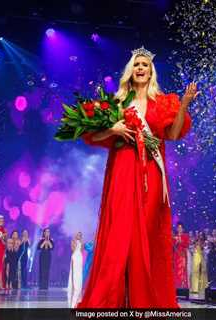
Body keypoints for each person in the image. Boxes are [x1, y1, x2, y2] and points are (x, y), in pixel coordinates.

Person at [77, 47, 197, 308]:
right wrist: (113, 127)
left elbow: (173, 135)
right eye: (137, 64)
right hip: (123, 169)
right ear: (130, 71)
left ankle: (143, 298)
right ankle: (115, 298)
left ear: (151, 71)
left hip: (152, 172)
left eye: (145, 64)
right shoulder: (117, 102)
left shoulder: (163, 102)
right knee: (120, 231)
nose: (141, 68)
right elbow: (92, 136)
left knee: (147, 230)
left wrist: (184, 106)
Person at [68, 232, 84, 308]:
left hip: (80, 258)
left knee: (79, 277)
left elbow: (82, 251)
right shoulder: (73, 241)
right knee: (74, 276)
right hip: (75, 257)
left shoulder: (82, 242)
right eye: (78, 234)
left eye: (80, 235)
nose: (79, 236)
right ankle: (73, 304)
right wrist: (74, 242)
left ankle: (78, 301)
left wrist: (81, 242)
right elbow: (73, 249)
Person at [173, 223, 190, 289]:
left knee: (182, 269)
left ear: (183, 229)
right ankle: (176, 286)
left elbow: (187, 245)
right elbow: (173, 245)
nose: (179, 229)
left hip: (182, 255)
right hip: (176, 255)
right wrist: (176, 241)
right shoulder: (175, 236)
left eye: (181, 228)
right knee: (176, 270)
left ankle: (183, 287)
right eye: (178, 228)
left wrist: (180, 241)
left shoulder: (186, 236)